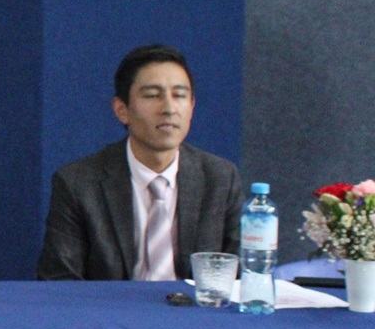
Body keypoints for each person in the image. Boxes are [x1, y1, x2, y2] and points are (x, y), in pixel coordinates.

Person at [36, 43, 242, 281]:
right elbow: (59, 280)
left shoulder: (220, 178)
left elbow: (240, 277)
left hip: (194, 314)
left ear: (192, 106)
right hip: (110, 315)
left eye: (179, 95)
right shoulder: (78, 183)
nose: (169, 108)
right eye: (153, 95)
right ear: (122, 110)